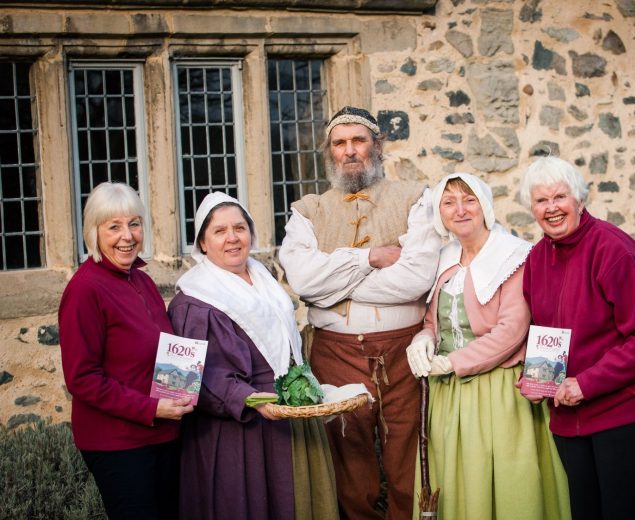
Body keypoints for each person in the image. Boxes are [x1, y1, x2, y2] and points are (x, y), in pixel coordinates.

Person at [279, 106, 441, 520]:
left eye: (358, 141)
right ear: (329, 152)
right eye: (340, 143)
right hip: (335, 353)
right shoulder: (307, 211)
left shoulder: (415, 198)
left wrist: (333, 282)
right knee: (349, 464)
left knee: (410, 456)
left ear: (377, 146)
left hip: (403, 353)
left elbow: (417, 278)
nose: (349, 151)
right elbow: (304, 282)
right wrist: (370, 257)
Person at [518, 156, 635, 520]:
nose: (552, 208)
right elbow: (544, 331)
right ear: (532, 208)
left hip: (626, 415)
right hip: (570, 422)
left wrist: (586, 383)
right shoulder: (537, 259)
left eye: (560, 197)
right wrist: (537, 380)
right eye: (541, 201)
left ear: (579, 199)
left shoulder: (615, 251)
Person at [405, 173, 571, 520]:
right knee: (455, 485)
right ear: (440, 213)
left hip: (496, 393)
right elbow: (435, 321)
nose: (460, 210)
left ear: (485, 206)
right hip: (448, 397)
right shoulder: (444, 258)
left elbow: (511, 330)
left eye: (469, 200)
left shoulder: (512, 256)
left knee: (505, 486)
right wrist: (424, 339)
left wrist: (452, 363)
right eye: (449, 202)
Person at [168, 192, 338, 520]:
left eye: (240, 228)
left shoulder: (263, 278)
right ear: (202, 242)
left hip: (283, 416)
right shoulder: (191, 300)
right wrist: (249, 399)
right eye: (219, 231)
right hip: (236, 430)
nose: (232, 238)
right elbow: (185, 380)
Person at [58, 182, 193, 519]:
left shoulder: (141, 280)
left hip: (162, 432)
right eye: (114, 226)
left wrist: (182, 389)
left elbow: (159, 350)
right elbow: (82, 379)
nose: (127, 236)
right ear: (94, 232)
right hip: (117, 442)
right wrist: (152, 408)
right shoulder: (85, 289)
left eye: (134, 223)